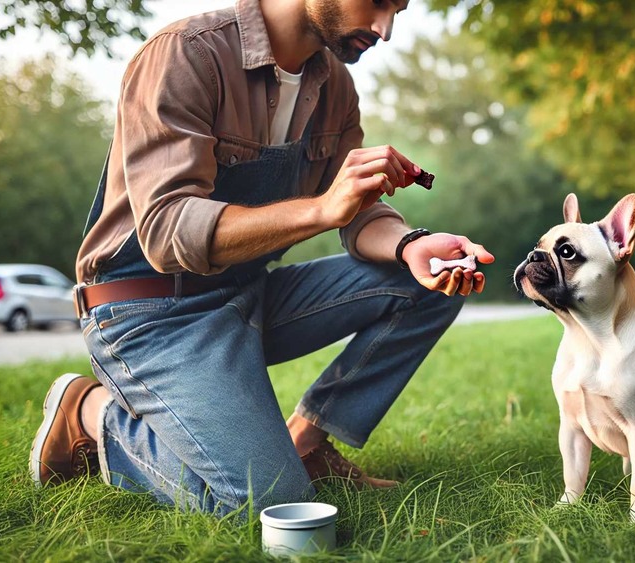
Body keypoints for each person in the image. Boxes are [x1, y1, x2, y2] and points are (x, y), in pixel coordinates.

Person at [28, 0, 494, 516]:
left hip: (247, 293)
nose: (385, 29)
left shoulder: (334, 86)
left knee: (430, 283)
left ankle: (308, 443)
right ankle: (92, 414)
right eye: (379, 2)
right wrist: (320, 210)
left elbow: (357, 213)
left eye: (399, 10)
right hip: (151, 314)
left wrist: (410, 245)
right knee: (270, 507)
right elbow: (166, 232)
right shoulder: (188, 55)